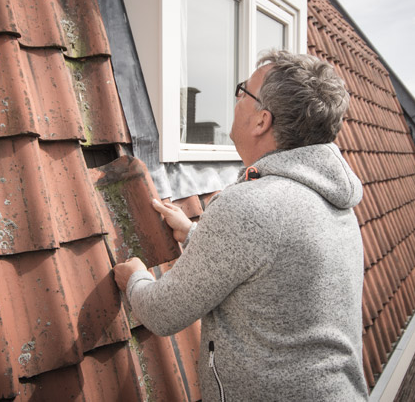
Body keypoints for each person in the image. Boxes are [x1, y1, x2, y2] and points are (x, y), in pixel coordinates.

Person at [113, 50, 368, 401]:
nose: (235, 101)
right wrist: (194, 234)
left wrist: (135, 277)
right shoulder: (329, 197)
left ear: (262, 121)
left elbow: (162, 313)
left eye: (242, 93)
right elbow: (276, 261)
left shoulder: (248, 206)